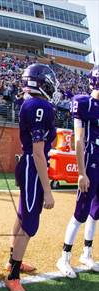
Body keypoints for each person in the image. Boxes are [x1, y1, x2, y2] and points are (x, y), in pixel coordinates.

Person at [5, 64, 59, 291]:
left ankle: (11, 263)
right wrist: (47, 190)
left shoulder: (32, 103)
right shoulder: (40, 106)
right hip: (33, 167)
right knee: (29, 223)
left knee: (21, 216)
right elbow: (38, 153)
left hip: (28, 164)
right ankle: (13, 276)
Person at [56, 65, 99, 278]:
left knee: (95, 212)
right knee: (81, 212)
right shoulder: (84, 103)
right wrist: (81, 172)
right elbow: (79, 139)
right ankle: (64, 258)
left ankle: (87, 254)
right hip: (91, 162)